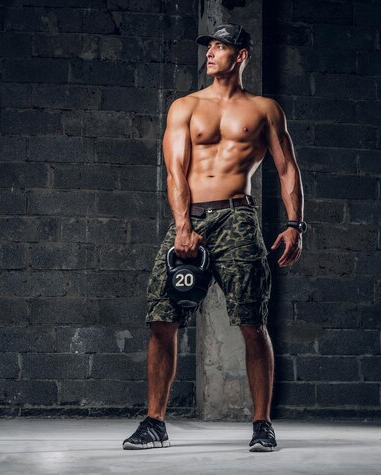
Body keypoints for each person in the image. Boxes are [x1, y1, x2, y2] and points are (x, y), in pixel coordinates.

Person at [122, 23, 305, 452]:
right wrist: (183, 226)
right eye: (209, 47)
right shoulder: (184, 106)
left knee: (252, 321)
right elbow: (174, 171)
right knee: (161, 318)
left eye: (220, 48)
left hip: (238, 218)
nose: (210, 54)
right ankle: (154, 423)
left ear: (240, 56)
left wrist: (296, 225)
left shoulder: (264, 110)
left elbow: (287, 169)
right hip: (190, 217)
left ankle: (262, 425)